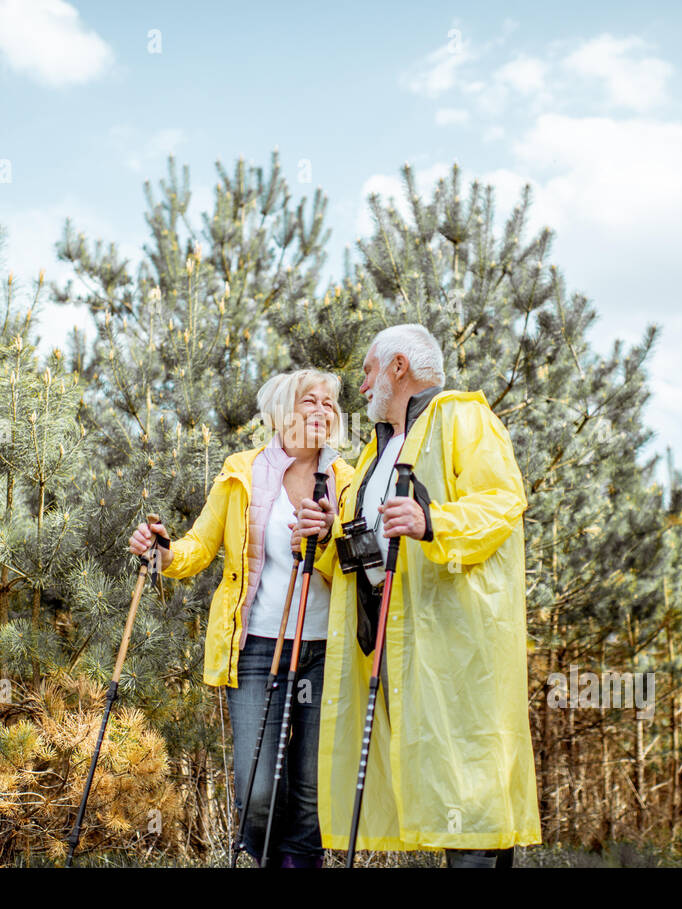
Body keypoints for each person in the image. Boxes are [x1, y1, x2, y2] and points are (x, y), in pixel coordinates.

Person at [297, 323, 541, 867]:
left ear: (398, 366)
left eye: (367, 371)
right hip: (395, 645)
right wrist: (332, 529)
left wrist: (433, 521)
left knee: (468, 786)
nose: (361, 386)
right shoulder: (374, 455)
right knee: (443, 791)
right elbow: (371, 549)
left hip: (456, 643)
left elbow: (502, 502)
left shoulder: (463, 416)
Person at [128, 369, 354, 868]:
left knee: (311, 795)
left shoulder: (346, 481)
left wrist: (321, 546)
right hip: (255, 649)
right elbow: (198, 547)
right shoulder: (241, 472)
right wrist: (163, 553)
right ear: (281, 413)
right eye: (308, 401)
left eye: (329, 403)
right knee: (257, 793)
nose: (322, 410)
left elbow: (358, 570)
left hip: (323, 651)